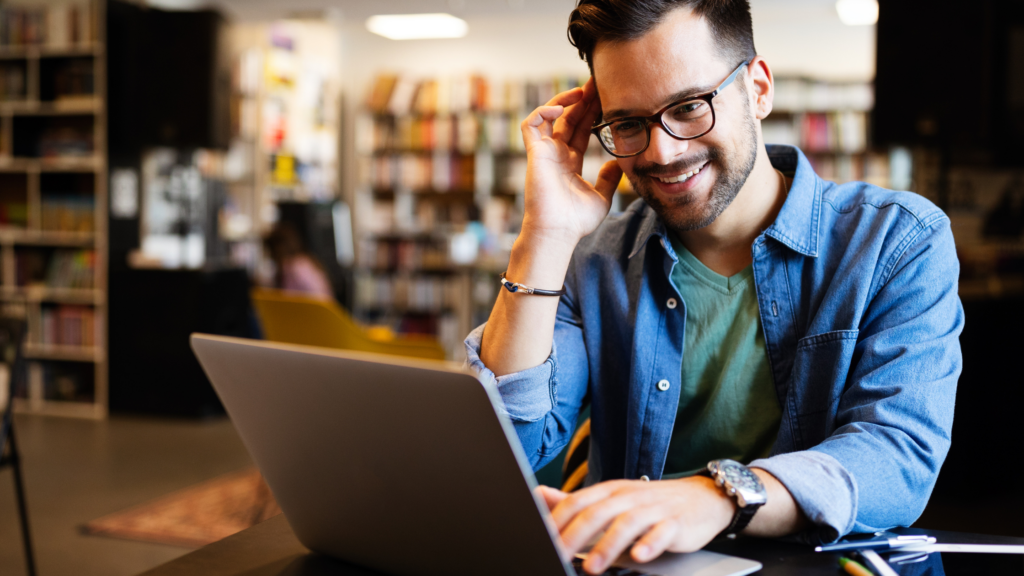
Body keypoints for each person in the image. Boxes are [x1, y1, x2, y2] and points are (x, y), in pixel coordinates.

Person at [464, 1, 964, 574]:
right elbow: (506, 451)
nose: (663, 151)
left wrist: (718, 495)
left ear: (757, 89)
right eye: (628, 123)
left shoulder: (895, 241)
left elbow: (897, 458)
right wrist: (543, 235)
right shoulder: (591, 260)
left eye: (689, 107)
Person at [263, 222, 334, 301]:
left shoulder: (295, 267)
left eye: (271, 251)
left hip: (313, 312)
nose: (270, 256)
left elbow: (320, 298)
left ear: (278, 249)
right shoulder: (304, 261)